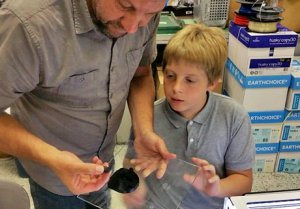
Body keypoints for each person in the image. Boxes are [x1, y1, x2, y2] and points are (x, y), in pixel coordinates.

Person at [0, 0, 175, 209]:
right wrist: (53, 158)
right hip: (54, 177)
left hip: (104, 165)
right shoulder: (27, 24)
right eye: (125, 5)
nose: (132, 28)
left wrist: (144, 130)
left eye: (150, 13)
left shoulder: (145, 7)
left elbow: (140, 75)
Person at [124, 24, 255, 209]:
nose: (176, 88)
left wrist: (216, 187)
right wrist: (136, 187)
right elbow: (132, 161)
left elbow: (243, 180)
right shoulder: (147, 117)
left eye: (190, 80)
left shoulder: (234, 117)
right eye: (170, 76)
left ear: (213, 81)